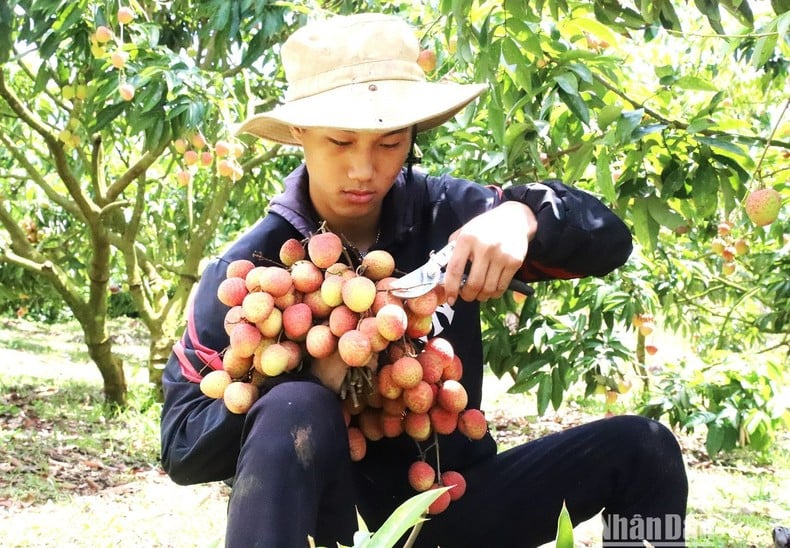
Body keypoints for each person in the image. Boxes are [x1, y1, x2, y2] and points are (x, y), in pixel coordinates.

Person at [160, 12, 688, 548]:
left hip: (453, 510)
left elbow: (611, 241)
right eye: (341, 142)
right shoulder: (253, 272)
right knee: (296, 406)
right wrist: (306, 376)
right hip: (332, 527)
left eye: (389, 144)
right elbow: (181, 447)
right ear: (300, 133)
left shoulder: (450, 215)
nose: (364, 170)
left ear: (413, 136)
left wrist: (523, 217)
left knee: (645, 450)